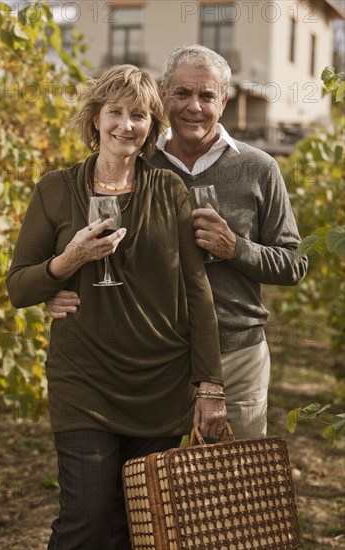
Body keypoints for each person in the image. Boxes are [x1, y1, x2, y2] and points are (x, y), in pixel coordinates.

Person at [6, 64, 226, 550]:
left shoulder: (170, 191)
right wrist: (68, 262)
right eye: (116, 112)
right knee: (85, 519)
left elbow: (197, 292)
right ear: (95, 119)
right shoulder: (56, 189)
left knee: (139, 527)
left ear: (152, 126)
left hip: (160, 385)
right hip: (83, 380)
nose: (127, 125)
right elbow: (18, 287)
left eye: (140, 115)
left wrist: (210, 385)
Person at [47, 46, 308, 441]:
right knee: (152, 489)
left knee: (235, 484)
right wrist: (57, 288)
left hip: (234, 351)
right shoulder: (136, 161)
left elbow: (293, 264)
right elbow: (87, 240)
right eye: (183, 93)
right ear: (164, 95)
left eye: (207, 96)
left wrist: (235, 247)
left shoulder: (259, 168)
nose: (194, 107)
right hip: (148, 358)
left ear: (223, 100)